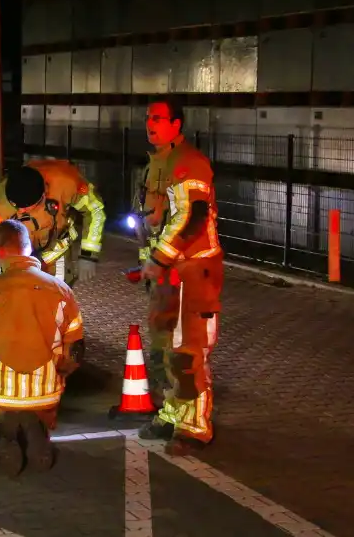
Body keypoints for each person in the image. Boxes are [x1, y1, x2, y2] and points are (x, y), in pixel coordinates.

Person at [0, 220, 85, 476]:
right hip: (45, 395)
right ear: (29, 248)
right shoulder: (61, 290)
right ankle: (31, 429)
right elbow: (76, 350)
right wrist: (59, 379)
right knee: (36, 405)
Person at [134, 100, 224, 456]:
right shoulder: (158, 162)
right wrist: (150, 263)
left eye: (157, 119)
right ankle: (173, 414)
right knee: (165, 348)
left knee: (188, 351)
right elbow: (151, 217)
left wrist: (158, 258)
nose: (149, 124)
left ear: (176, 124)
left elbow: (192, 218)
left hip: (192, 271)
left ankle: (195, 428)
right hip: (170, 273)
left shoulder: (188, 163)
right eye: (147, 118)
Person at [0, 160, 105, 286]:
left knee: (57, 297)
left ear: (43, 195)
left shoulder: (66, 182)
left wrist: (88, 255)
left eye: (26, 207)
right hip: (14, 253)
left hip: (55, 250)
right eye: (16, 207)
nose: (21, 211)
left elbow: (94, 210)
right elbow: (2, 241)